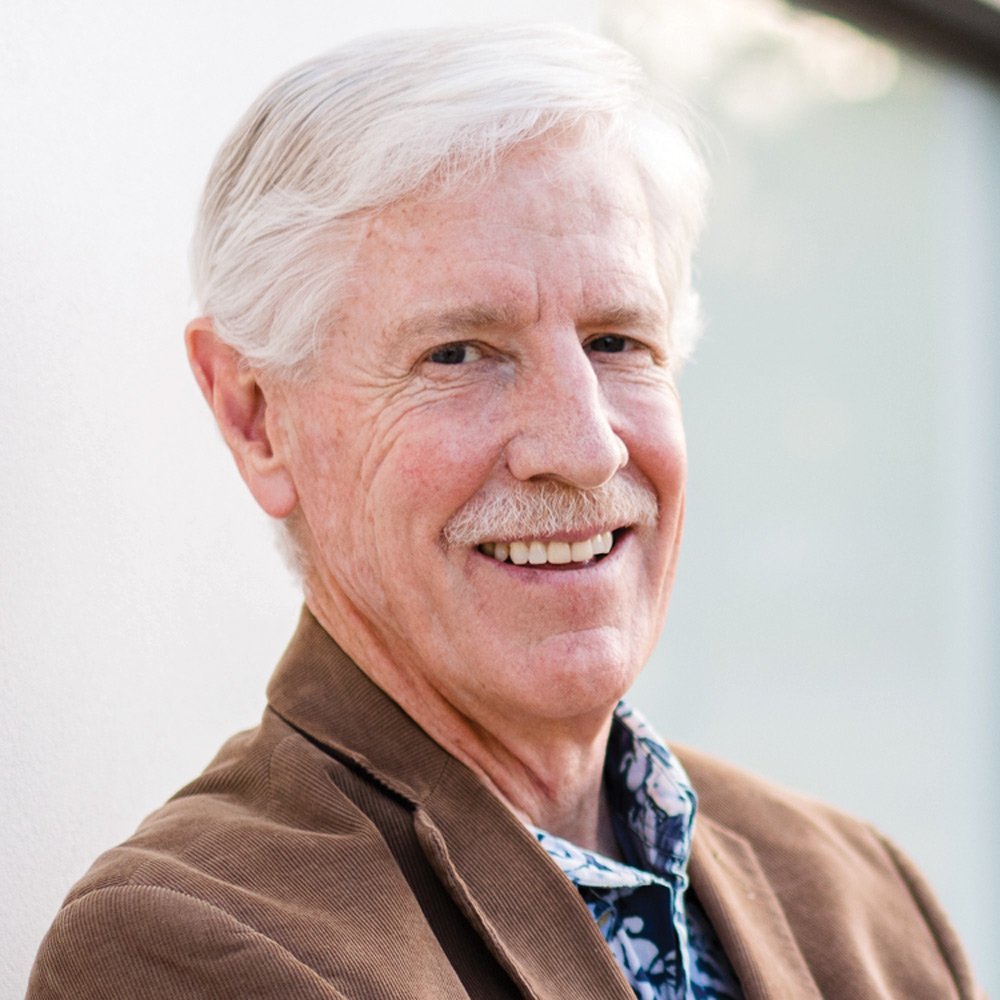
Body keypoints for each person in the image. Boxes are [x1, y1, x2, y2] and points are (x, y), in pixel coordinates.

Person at [27, 23, 984, 1000]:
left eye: (617, 340)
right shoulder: (187, 944)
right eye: (458, 353)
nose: (583, 445)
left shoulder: (864, 894)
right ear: (256, 416)